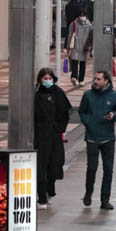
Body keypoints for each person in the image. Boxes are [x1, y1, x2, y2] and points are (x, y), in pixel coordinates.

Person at [79, 70, 116, 210]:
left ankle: (105, 199)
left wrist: (114, 115)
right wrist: (89, 122)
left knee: (108, 169)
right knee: (92, 167)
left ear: (106, 81)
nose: (96, 81)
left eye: (99, 79)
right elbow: (82, 111)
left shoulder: (114, 96)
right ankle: (88, 192)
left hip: (108, 138)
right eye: (95, 78)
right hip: (92, 137)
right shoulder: (88, 95)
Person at [34, 67, 71, 208]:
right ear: (40, 80)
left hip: (54, 137)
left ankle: (50, 191)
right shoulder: (36, 95)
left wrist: (59, 129)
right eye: (45, 79)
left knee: (54, 165)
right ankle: (42, 197)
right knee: (41, 167)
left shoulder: (58, 93)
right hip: (40, 137)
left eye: (50, 79)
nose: (48, 81)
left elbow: (65, 114)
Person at [67, 11, 94, 85]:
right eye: (81, 15)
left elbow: (91, 37)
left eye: (83, 15)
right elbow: (70, 36)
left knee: (83, 63)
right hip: (75, 46)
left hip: (84, 47)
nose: (82, 17)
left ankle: (81, 79)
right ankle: (74, 77)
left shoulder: (89, 25)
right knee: (74, 62)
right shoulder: (74, 24)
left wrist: (90, 47)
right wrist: (68, 47)